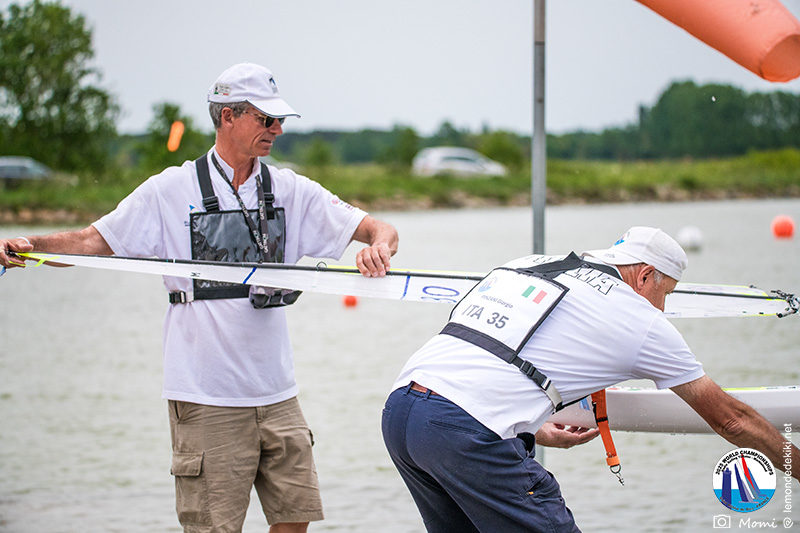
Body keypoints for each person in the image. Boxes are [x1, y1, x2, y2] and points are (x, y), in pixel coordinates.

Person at [0, 62, 399, 533]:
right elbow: (93, 242)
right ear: (228, 116)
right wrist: (31, 245)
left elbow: (379, 228)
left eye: (280, 120)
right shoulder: (169, 190)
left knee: (296, 520)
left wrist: (377, 247)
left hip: (278, 395)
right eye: (266, 119)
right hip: (206, 397)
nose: (277, 130)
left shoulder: (290, 189)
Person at [381, 226, 799, 533]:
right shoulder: (641, 321)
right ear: (645, 276)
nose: (663, 308)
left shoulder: (528, 263)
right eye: (667, 294)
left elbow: (487, 352)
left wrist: (530, 425)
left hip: (401, 413)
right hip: (461, 432)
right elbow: (731, 420)